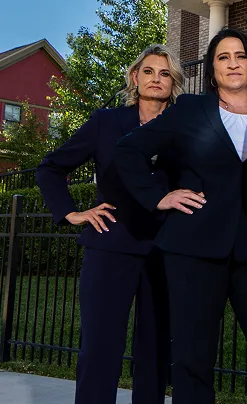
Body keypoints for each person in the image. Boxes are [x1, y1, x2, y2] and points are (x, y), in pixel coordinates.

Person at [115, 28, 247, 404]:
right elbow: (128, 151)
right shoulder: (190, 110)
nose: (233, 63)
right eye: (223, 57)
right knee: (192, 356)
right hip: (192, 250)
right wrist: (159, 197)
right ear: (212, 69)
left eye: (240, 55)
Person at [36, 45, 182, 404]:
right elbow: (51, 168)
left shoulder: (184, 128)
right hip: (109, 244)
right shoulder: (106, 122)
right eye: (148, 71)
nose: (156, 79)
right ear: (135, 77)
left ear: (173, 82)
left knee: (155, 349)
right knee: (100, 347)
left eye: (164, 74)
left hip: (164, 249)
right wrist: (71, 212)